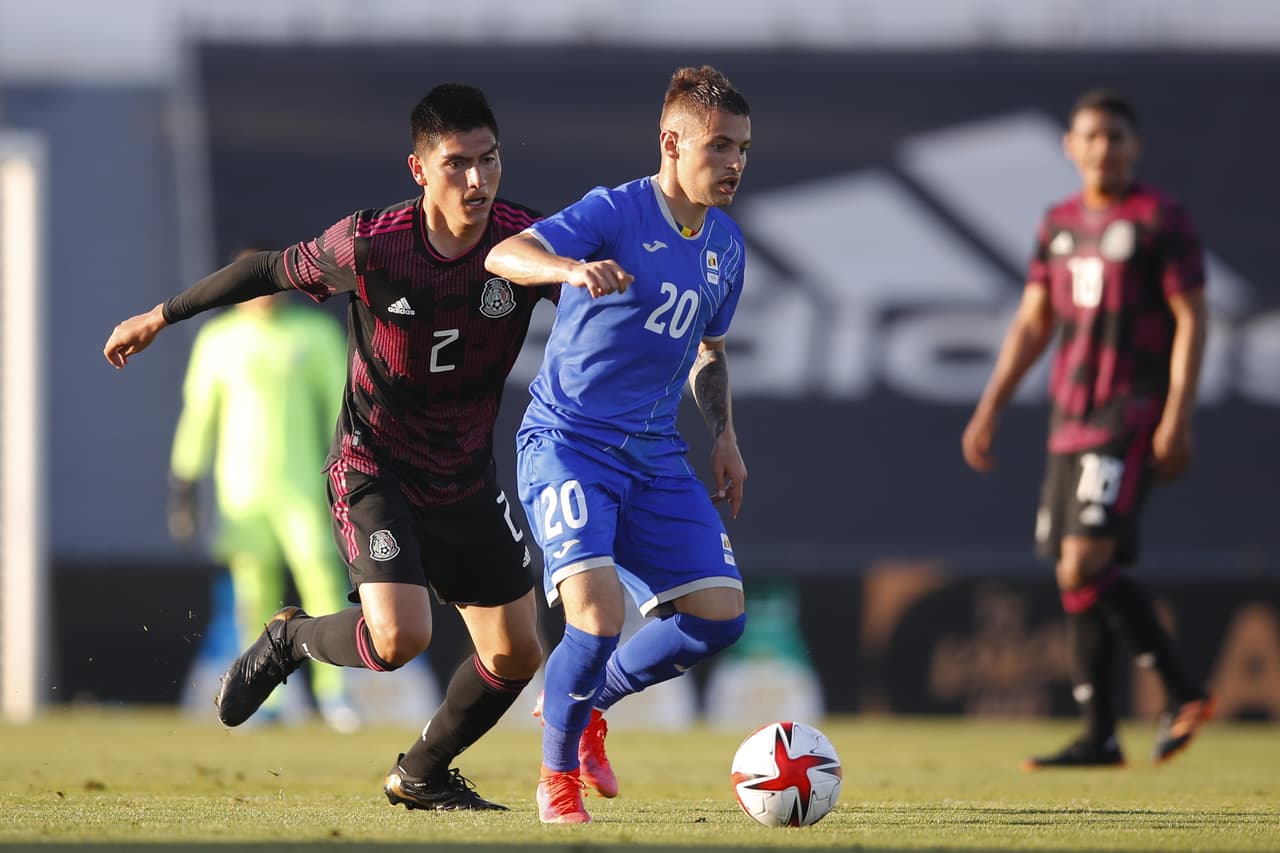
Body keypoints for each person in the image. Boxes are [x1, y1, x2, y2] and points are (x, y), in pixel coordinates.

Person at [104, 84, 554, 810]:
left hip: (467, 477)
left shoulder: (525, 244)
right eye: (457, 164)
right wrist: (161, 314)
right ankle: (291, 642)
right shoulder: (372, 245)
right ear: (418, 169)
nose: (477, 180)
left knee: (517, 651)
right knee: (403, 635)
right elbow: (265, 270)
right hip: (375, 466)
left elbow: (599, 301)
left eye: (490, 160)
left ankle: (421, 772)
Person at [485, 65, 752, 824]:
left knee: (718, 613)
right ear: (672, 143)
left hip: (655, 452)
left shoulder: (726, 246)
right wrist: (568, 268)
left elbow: (710, 349)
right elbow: (504, 254)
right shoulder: (614, 211)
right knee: (596, 619)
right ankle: (557, 778)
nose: (734, 163)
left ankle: (589, 702)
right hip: (569, 443)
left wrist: (725, 436)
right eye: (720, 146)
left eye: (743, 149)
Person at [961, 88, 1214, 769]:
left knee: (1084, 561)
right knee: (1074, 575)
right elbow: (1034, 321)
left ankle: (1184, 689)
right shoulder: (1060, 223)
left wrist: (1177, 414)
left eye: (1115, 137)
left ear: (1135, 147)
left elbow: (1193, 317)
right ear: (1070, 147)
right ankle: (1101, 732)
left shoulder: (1161, 219)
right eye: (1091, 137)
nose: (1103, 148)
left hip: (1128, 412)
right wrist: (991, 404)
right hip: (1068, 420)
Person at [168, 244, 359, 732]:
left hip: (305, 486)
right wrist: (184, 480)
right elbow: (199, 414)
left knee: (321, 580)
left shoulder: (312, 332)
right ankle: (267, 700)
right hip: (242, 492)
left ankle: (335, 694)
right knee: (255, 592)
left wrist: (348, 475)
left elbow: (342, 408)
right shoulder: (219, 339)